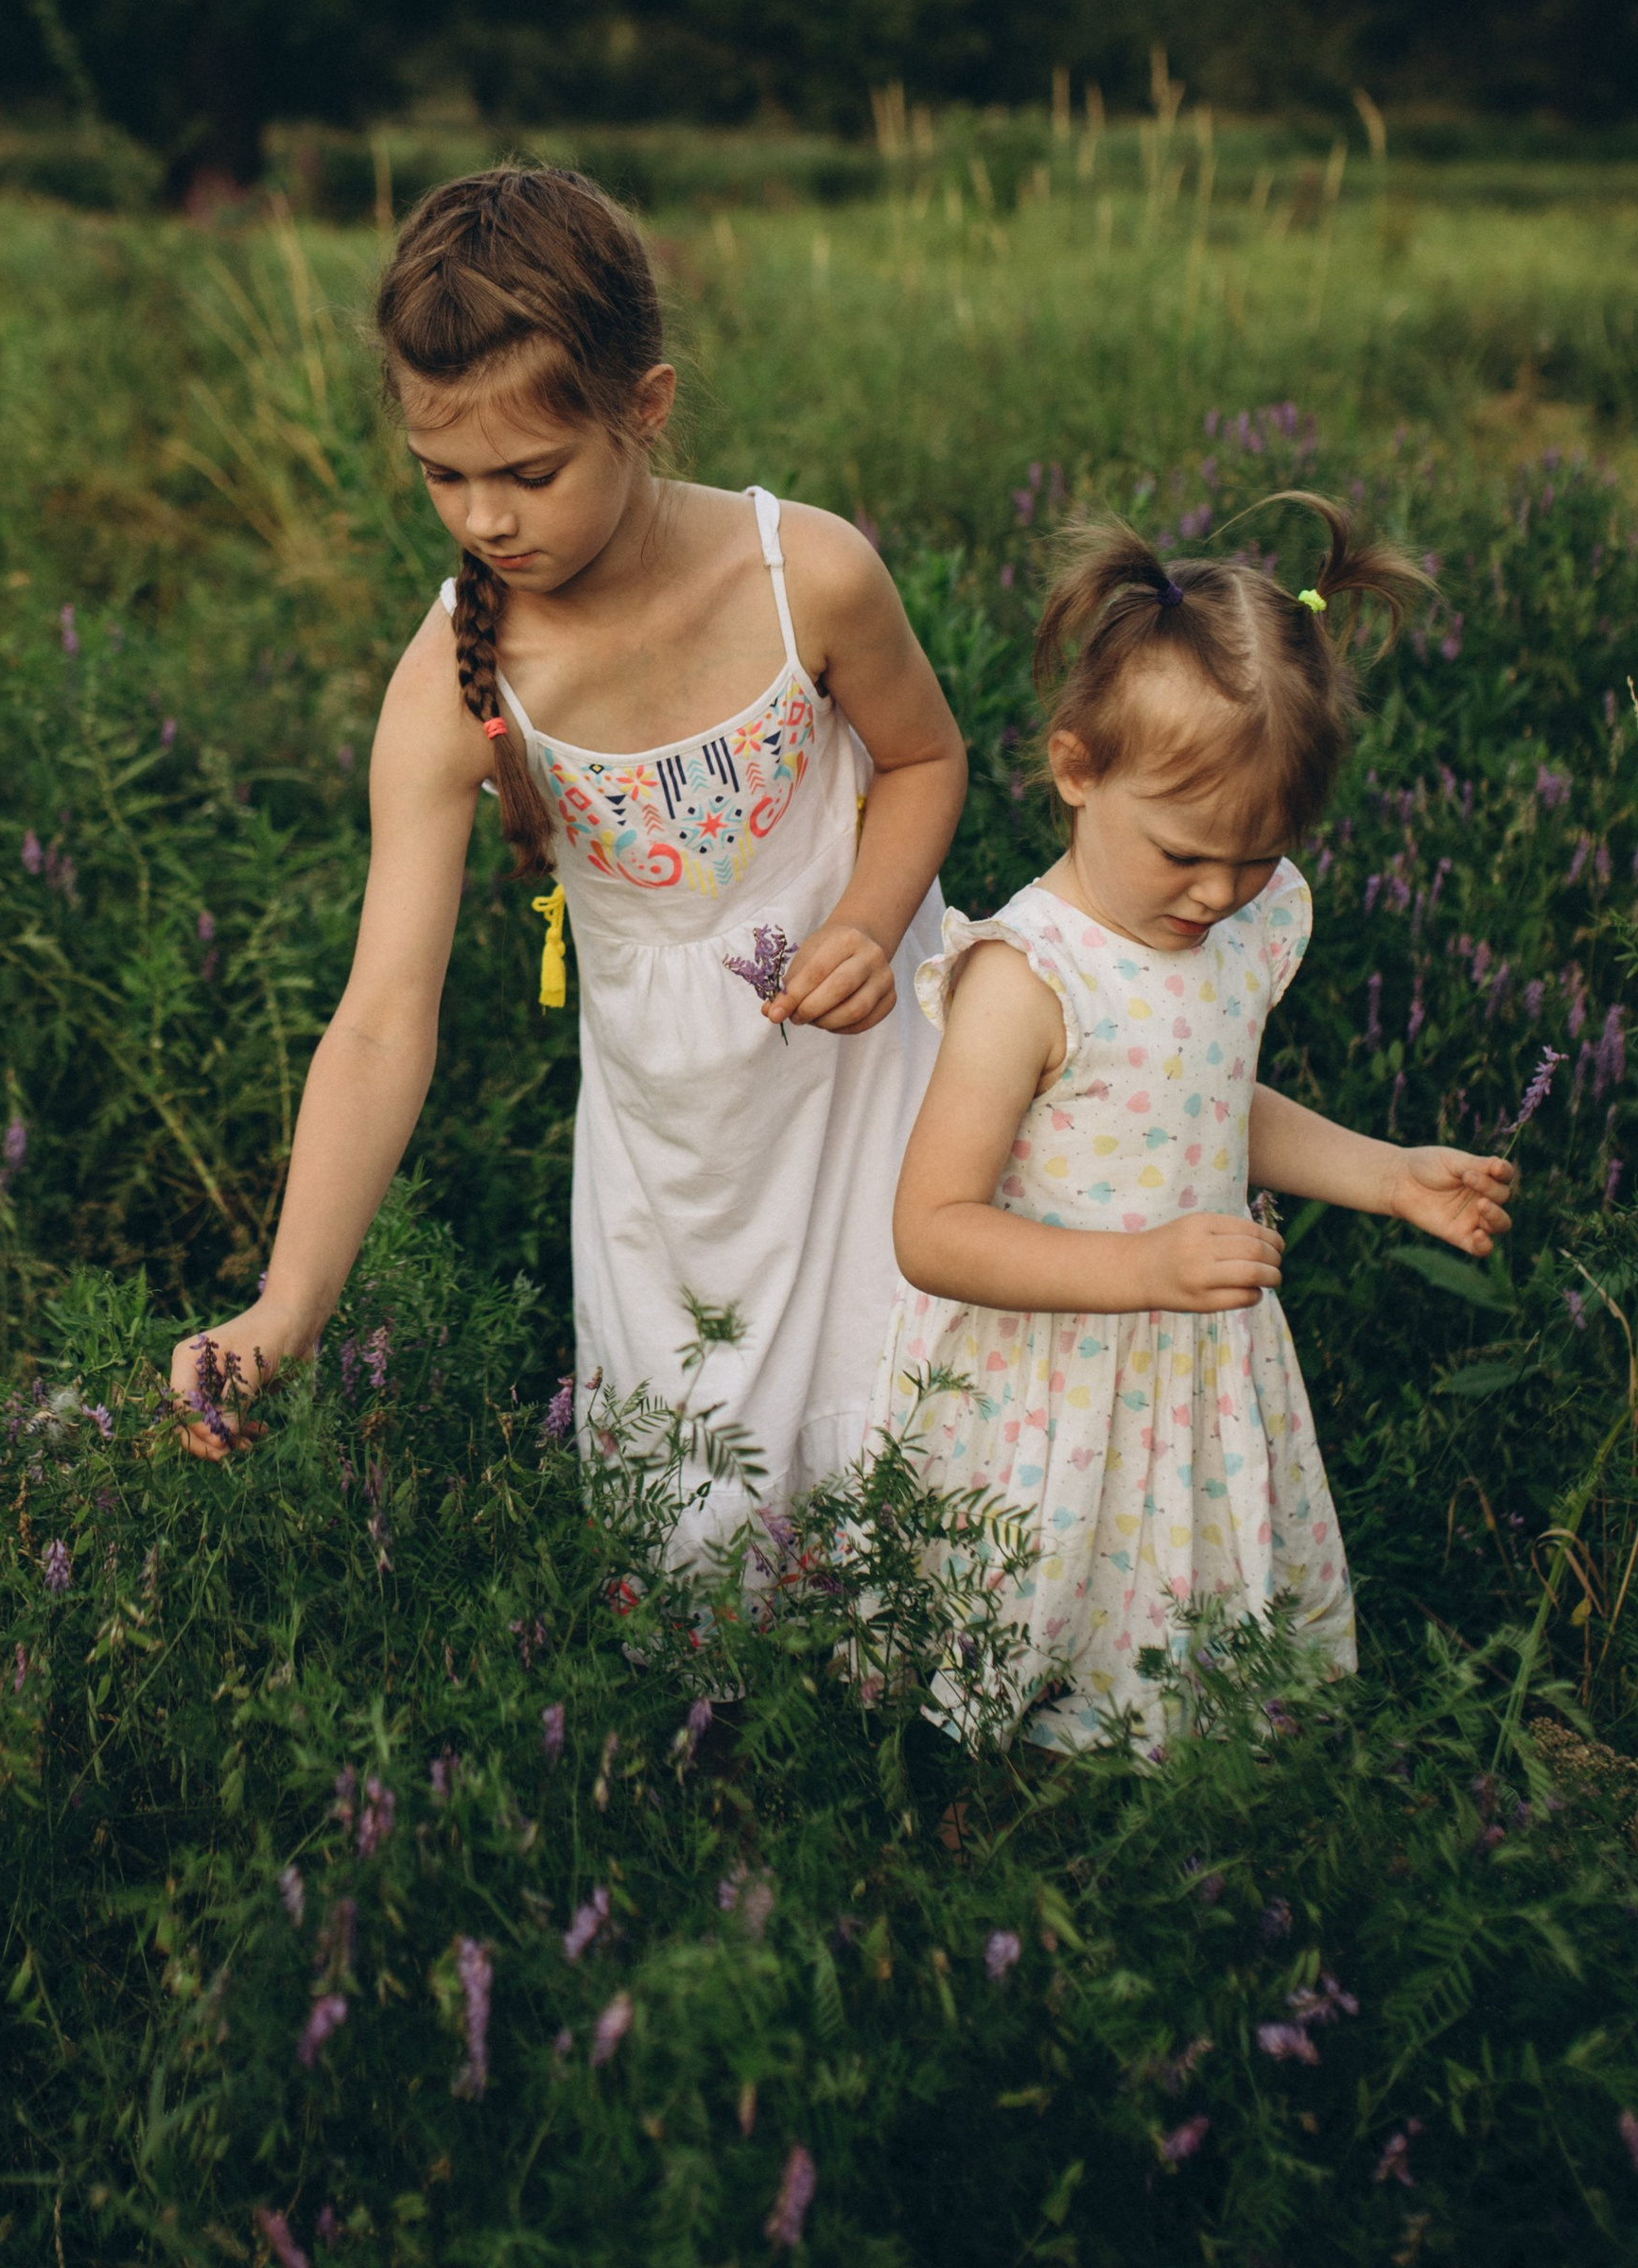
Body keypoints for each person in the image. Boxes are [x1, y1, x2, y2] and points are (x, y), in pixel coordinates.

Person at [170, 163, 967, 1554]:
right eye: (443, 475)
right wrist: (287, 1307)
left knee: (926, 1461)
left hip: (878, 1092)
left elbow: (924, 759)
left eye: (530, 474)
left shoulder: (810, 576)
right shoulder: (452, 686)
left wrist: (867, 918)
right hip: (677, 1160)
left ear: (643, 408)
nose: (485, 519)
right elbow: (381, 1020)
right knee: (704, 1512)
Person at [880, 496, 1516, 1748]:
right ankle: (1015, 1753)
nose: (1220, 893)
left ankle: (1171, 1721)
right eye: (1184, 855)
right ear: (1077, 770)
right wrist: (1139, 1269)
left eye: (1259, 858)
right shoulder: (1028, 978)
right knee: (1046, 1558)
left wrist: (1387, 1176)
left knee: (1167, 1543)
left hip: (1185, 1344)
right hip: (1053, 1361)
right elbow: (931, 1230)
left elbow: (1209, 1102)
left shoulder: (1234, 929)